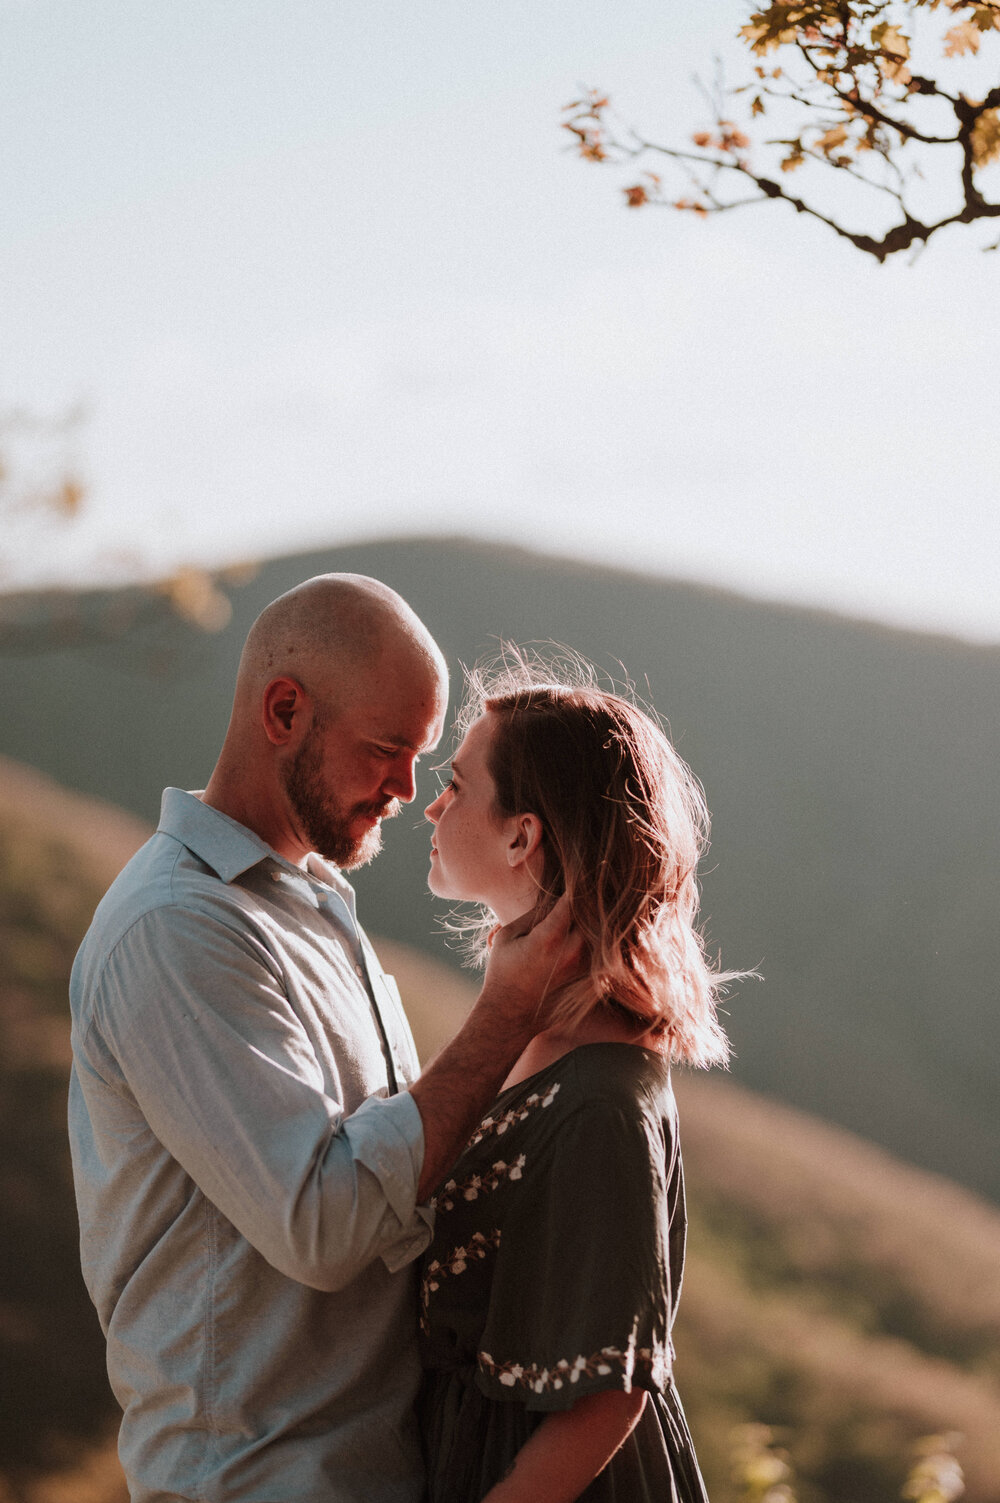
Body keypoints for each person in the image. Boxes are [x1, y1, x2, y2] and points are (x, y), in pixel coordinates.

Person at [68, 576, 579, 1503]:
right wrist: (507, 1012)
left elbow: (399, 1187)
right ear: (284, 709)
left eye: (422, 757)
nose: (406, 790)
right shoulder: (177, 930)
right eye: (387, 749)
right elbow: (325, 1225)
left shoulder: (314, 904)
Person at [418, 657, 736, 1503]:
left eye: (455, 784)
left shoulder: (599, 1095)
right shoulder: (540, 1040)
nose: (432, 804)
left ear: (523, 835)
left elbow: (607, 1400)